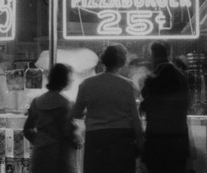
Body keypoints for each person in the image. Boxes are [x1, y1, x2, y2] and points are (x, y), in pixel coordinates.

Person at [69, 44, 143, 173]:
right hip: (122, 138)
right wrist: (140, 142)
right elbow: (135, 117)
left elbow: (76, 112)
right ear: (122, 62)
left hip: (96, 137)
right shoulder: (128, 85)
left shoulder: (87, 84)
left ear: (103, 60)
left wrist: (91, 111)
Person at [140, 42, 189, 173]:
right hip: (178, 139)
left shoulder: (154, 78)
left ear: (152, 56)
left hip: (157, 140)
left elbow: (146, 102)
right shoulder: (180, 76)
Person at [23, 63, 80, 173]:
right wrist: (77, 140)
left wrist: (40, 140)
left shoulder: (36, 102)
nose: (72, 80)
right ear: (64, 80)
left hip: (40, 154)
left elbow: (27, 130)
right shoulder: (65, 104)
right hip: (60, 155)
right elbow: (69, 132)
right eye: (70, 77)